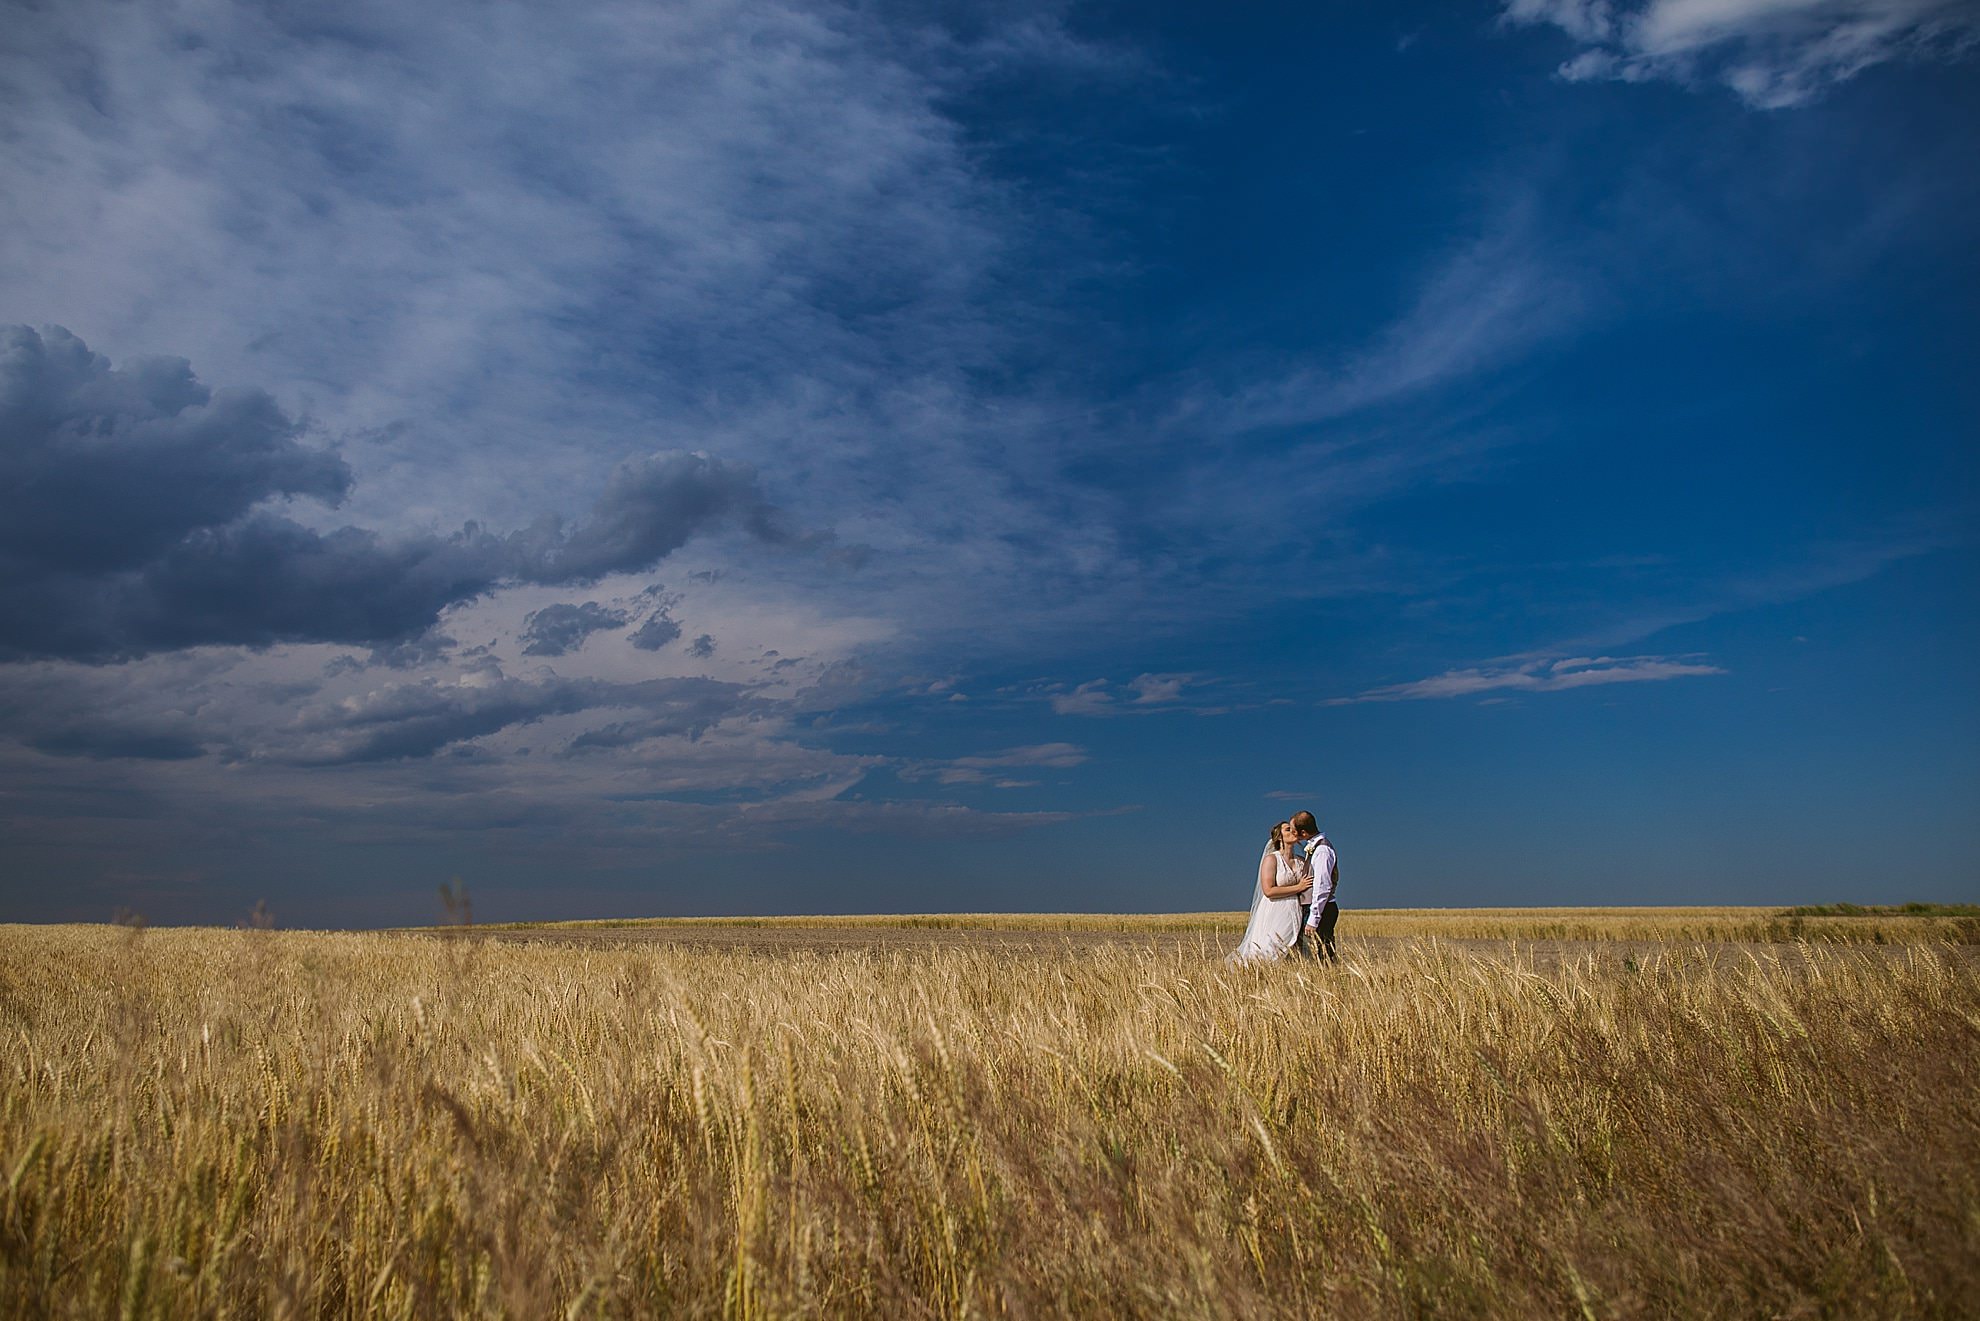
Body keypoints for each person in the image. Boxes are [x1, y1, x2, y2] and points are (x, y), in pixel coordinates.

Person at [1229, 821, 1311, 963]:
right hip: (1276, 911)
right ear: (1280, 837)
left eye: (1294, 829)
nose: (1293, 832)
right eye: (1288, 830)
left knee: (1294, 953)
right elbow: (1268, 890)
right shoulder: (1272, 859)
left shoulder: (1301, 861)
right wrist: (1298, 887)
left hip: (1295, 909)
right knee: (1270, 950)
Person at [1289, 810, 1339, 961]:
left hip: (1322, 910)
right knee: (1313, 954)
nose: (1291, 833)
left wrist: (1313, 919)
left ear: (1303, 833)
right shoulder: (1315, 847)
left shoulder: (1322, 850)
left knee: (1323, 953)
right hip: (1314, 908)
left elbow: (1322, 886)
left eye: (1293, 830)